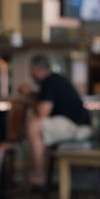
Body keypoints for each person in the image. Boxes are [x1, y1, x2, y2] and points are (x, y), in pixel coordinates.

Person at [23, 55, 91, 187]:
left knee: (33, 126)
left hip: (77, 127)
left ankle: (39, 175)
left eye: (31, 70)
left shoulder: (49, 81)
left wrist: (28, 97)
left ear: (36, 69)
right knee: (36, 127)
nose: (31, 74)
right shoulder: (55, 79)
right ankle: (42, 174)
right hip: (77, 125)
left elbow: (43, 112)